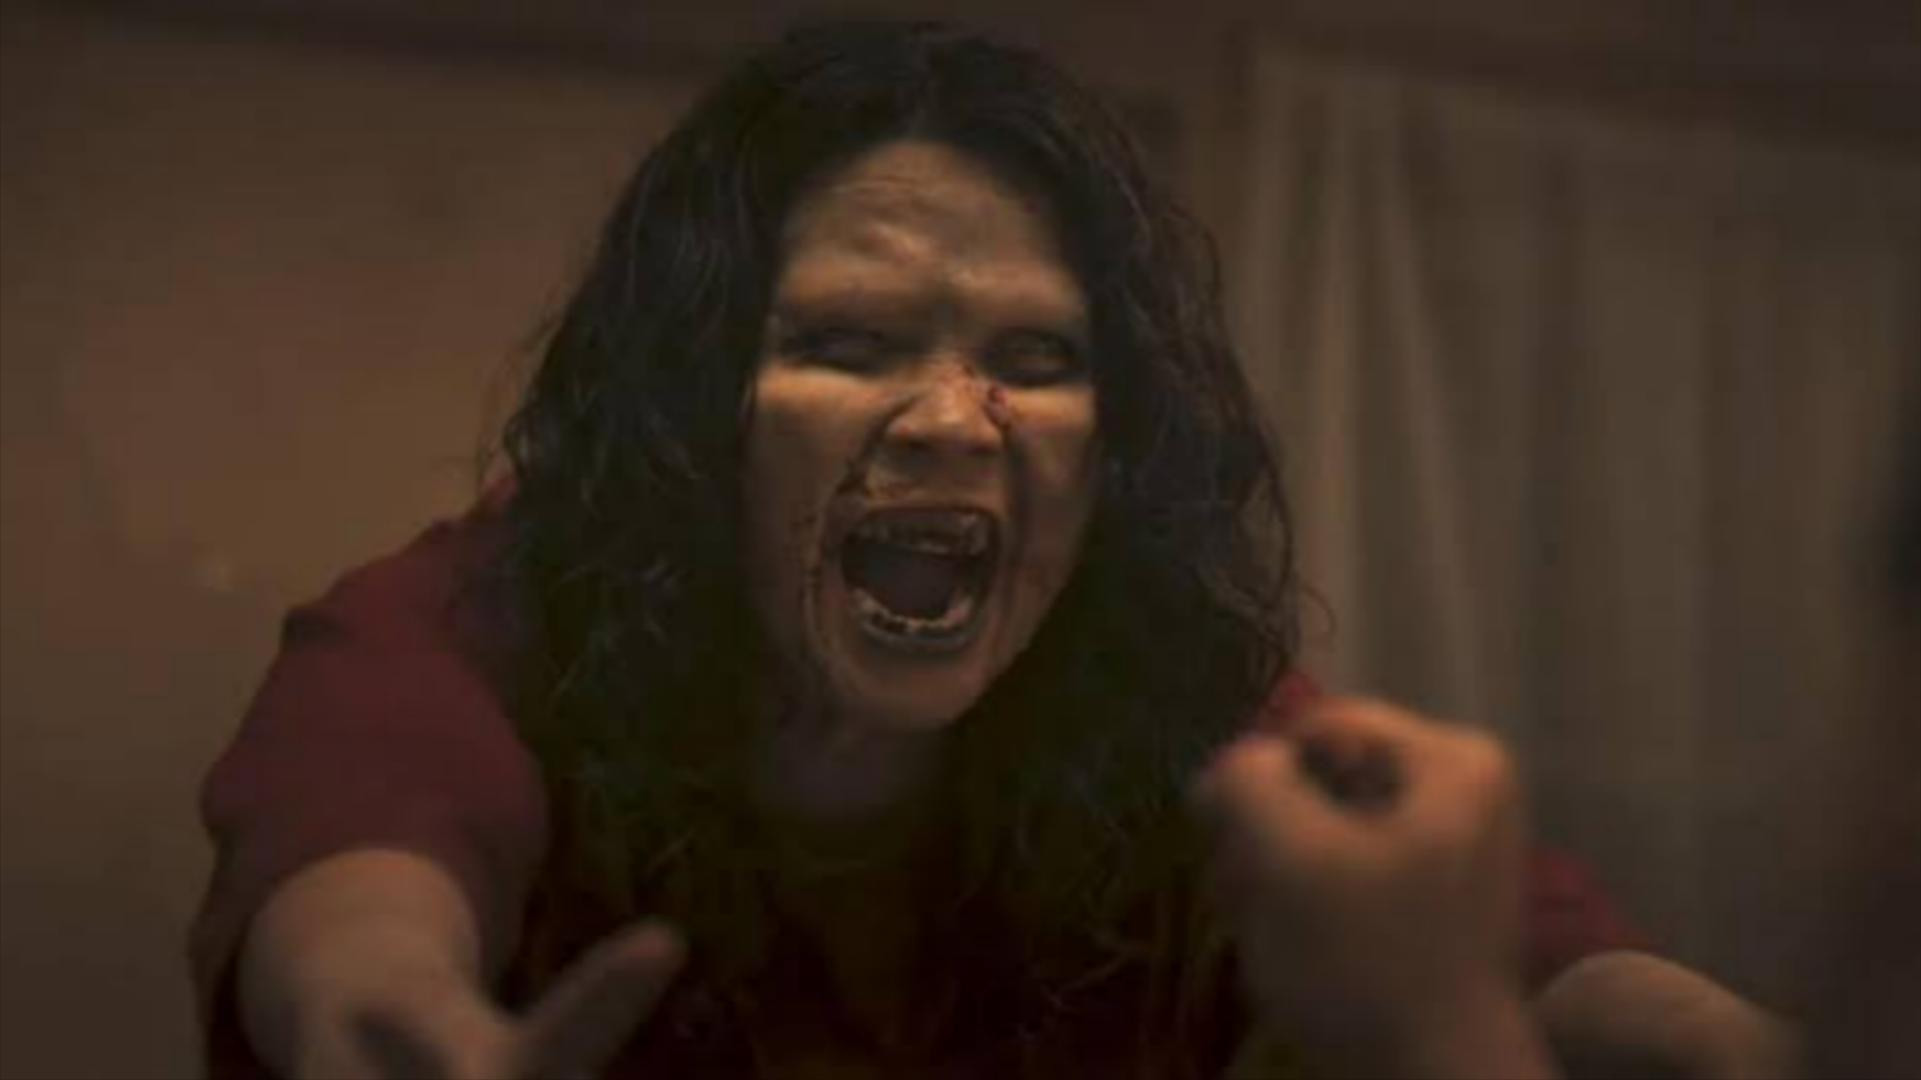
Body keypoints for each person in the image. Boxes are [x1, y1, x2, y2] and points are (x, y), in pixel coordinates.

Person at [191, 20, 1791, 1078]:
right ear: (696, 415)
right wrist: (397, 1021)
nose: (958, 422)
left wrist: (1720, 1040)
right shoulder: (471, 619)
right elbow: (362, 857)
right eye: (848, 341)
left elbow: (1522, 945)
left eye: (1035, 362)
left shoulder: (1164, 686)